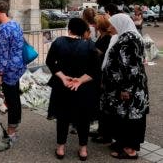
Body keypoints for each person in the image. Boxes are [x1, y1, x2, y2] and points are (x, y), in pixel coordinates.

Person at [46, 18, 101, 161]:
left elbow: (50, 62)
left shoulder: (58, 42)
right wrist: (80, 80)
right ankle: (83, 149)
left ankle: (61, 148)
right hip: (82, 88)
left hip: (62, 86)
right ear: (83, 31)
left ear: (69, 29)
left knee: (62, 117)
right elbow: (95, 70)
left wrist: (63, 77)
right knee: (83, 119)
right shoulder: (89, 45)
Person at [101, 13, 149, 159]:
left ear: (120, 24)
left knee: (131, 119)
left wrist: (126, 89)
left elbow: (132, 67)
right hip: (124, 86)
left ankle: (130, 150)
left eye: (111, 25)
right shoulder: (126, 36)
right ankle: (123, 144)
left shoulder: (130, 39)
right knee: (124, 118)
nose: (109, 28)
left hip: (130, 88)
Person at [0, 0, 26, 144]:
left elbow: (2, 54)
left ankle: (11, 132)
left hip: (9, 70)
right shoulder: (15, 24)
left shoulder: (3, 28)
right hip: (18, 67)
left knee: (11, 101)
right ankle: (14, 127)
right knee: (15, 98)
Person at [90, 15, 112, 143]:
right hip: (98, 71)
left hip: (103, 73)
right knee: (100, 103)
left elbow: (98, 52)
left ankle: (105, 133)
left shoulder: (107, 38)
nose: (94, 25)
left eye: (96, 23)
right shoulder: (101, 36)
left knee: (103, 103)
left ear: (101, 25)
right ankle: (100, 130)